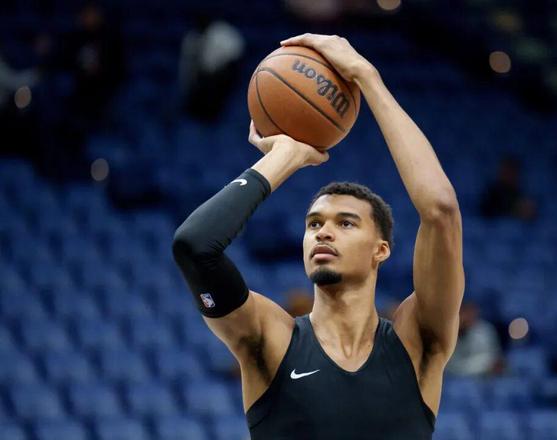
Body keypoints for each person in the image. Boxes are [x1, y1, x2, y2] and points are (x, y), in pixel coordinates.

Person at [172, 34, 464, 439]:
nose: (323, 232)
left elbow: (441, 210)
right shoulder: (272, 339)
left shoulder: (416, 341)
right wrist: (284, 157)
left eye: (346, 223)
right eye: (313, 224)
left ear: (380, 250)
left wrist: (367, 77)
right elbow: (194, 245)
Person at [444, 302, 503, 377]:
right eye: (463, 313)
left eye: (470, 313)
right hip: (455, 378)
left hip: (484, 378)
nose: (466, 317)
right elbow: (453, 366)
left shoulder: (486, 330)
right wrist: (485, 365)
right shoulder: (448, 333)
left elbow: (495, 359)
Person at [479, 155, 536, 221]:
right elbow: (487, 211)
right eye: (506, 171)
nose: (509, 175)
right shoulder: (492, 192)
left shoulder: (518, 192)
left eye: (512, 172)